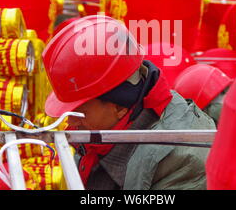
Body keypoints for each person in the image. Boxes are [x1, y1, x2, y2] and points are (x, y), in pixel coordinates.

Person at [42, 15, 216, 190]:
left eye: (80, 111)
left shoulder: (182, 157)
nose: (69, 122)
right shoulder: (100, 129)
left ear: (119, 107)